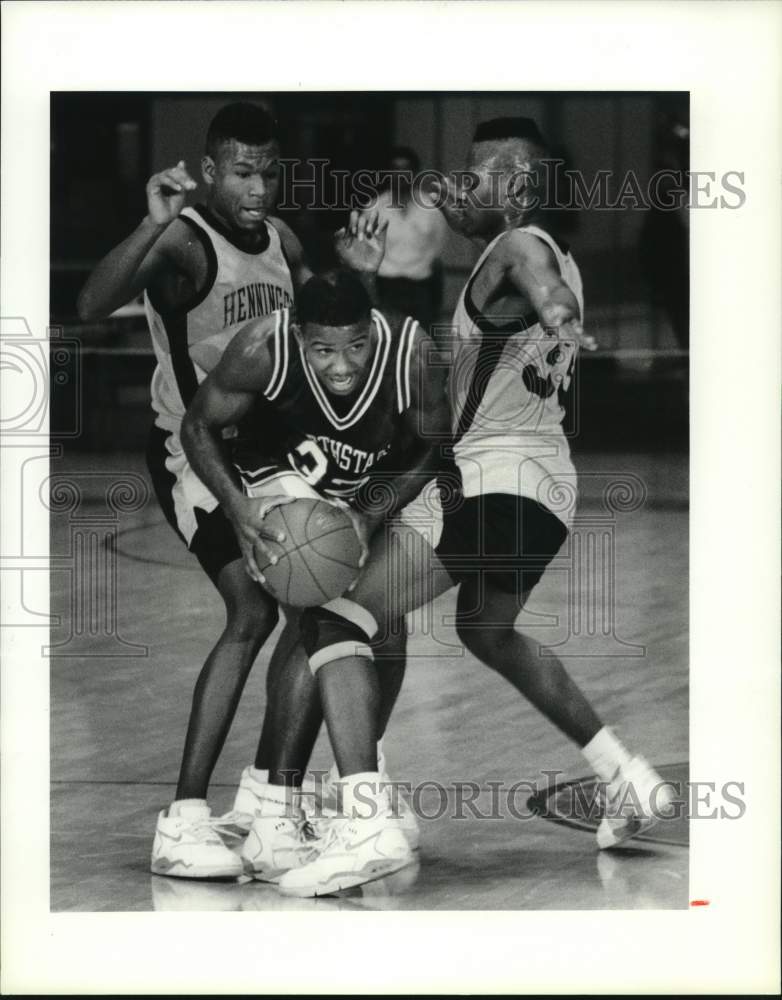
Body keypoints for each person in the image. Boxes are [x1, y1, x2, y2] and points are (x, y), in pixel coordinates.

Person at [282, 117, 675, 896]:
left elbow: (541, 282)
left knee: (339, 621)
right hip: (543, 488)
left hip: (494, 482)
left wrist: (559, 310)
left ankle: (366, 823)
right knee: (485, 629)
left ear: (518, 190)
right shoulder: (515, 260)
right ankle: (623, 774)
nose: (458, 187)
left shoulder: (517, 249)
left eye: (476, 175)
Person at [77, 102, 404, 880]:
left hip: (270, 451)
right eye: (241, 171)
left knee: (318, 600)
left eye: (268, 170)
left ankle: (266, 807)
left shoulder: (284, 241)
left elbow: (312, 333)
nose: (257, 186)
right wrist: (151, 222)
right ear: (211, 168)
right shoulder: (186, 243)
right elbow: (91, 306)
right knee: (258, 609)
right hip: (194, 448)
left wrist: (354, 271)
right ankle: (184, 819)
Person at [181, 269, 447, 887]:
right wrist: (241, 509)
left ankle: (348, 792)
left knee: (384, 625)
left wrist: (373, 510)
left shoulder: (410, 353)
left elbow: (438, 443)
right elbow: (198, 427)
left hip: (364, 488)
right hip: (275, 481)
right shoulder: (261, 349)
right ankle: (279, 810)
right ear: (300, 337)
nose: (343, 365)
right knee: (320, 607)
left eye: (356, 345)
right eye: (324, 349)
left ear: (373, 328)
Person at [374, 146, 448, 330]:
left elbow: (438, 247)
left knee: (419, 345)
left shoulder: (430, 208)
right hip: (386, 288)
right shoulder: (374, 208)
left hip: (420, 288)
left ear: (415, 173)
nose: (400, 174)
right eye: (395, 169)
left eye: (405, 169)